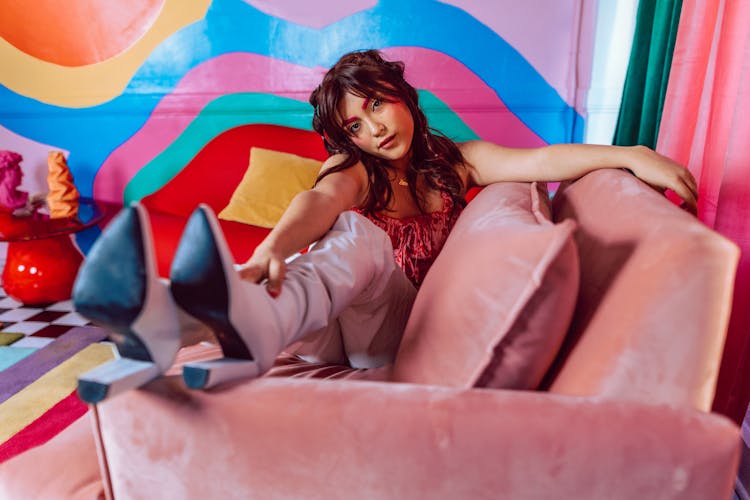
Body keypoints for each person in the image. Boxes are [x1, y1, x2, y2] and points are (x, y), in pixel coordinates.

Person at [72, 49, 698, 402]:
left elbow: (539, 162)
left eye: (376, 104)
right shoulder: (356, 170)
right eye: (354, 123)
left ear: (401, 94)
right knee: (333, 242)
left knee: (358, 240)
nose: (373, 129)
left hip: (385, 342)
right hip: (313, 327)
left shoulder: (456, 162)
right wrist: (271, 250)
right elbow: (318, 203)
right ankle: (172, 325)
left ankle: (237, 321)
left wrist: (630, 154)